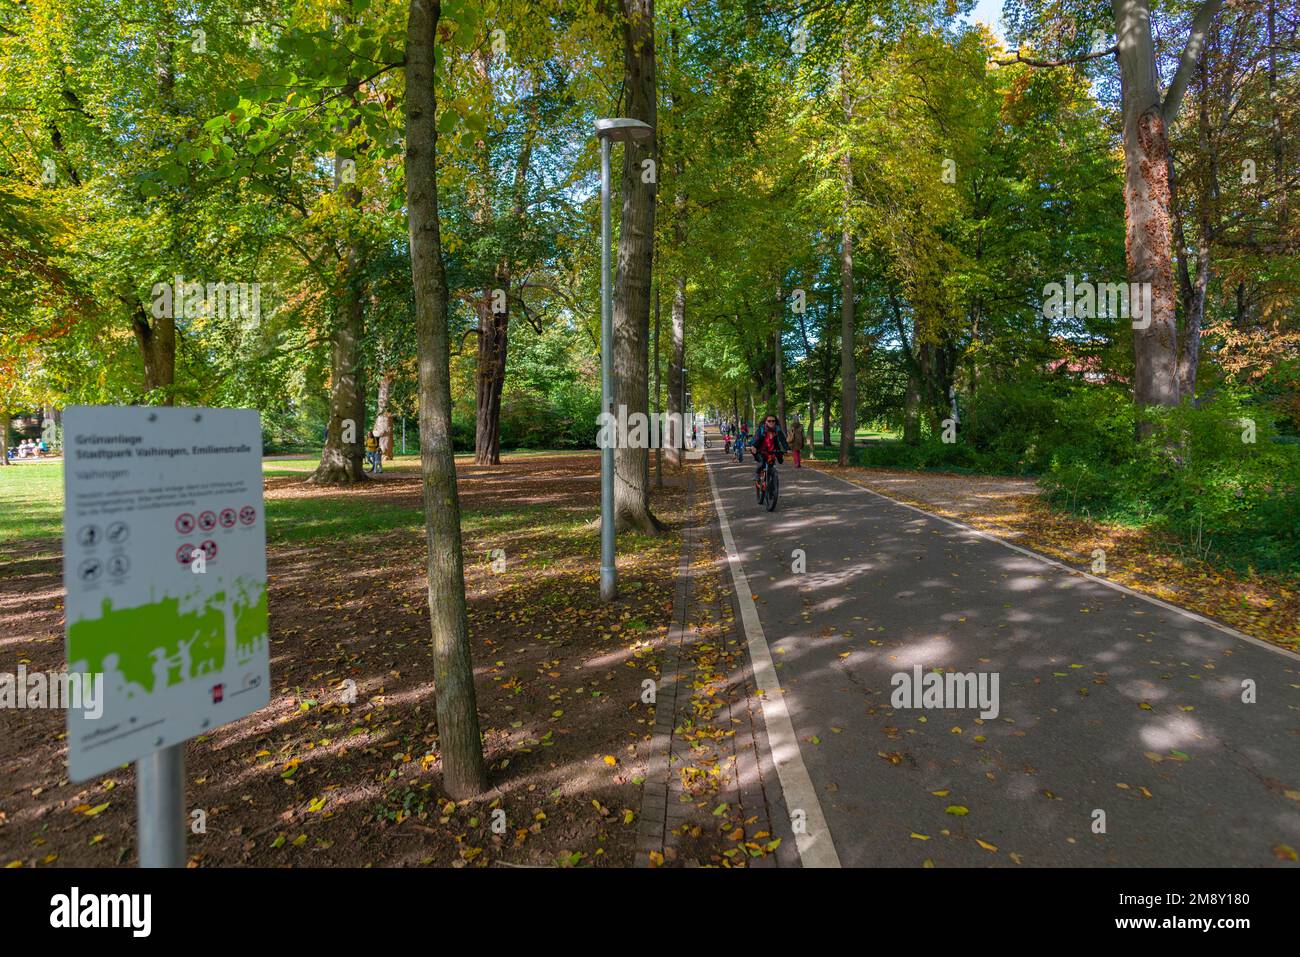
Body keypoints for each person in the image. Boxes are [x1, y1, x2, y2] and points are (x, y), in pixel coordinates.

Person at [751, 414, 789, 485]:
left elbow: (783, 440)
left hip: (773, 451)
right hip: (761, 450)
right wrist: (754, 447)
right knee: (762, 463)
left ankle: (772, 485)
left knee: (776, 462)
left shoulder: (777, 430)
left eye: (773, 421)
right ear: (766, 422)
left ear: (775, 422)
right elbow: (756, 439)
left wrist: (787, 449)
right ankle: (757, 474)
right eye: (769, 421)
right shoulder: (761, 430)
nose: (771, 422)